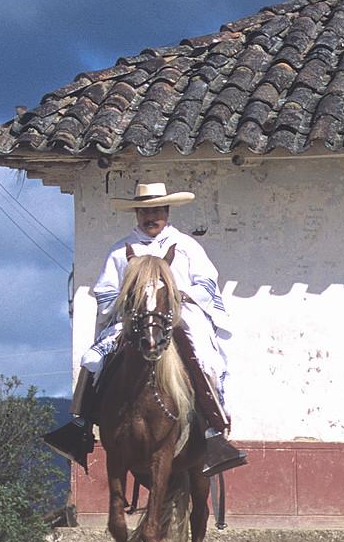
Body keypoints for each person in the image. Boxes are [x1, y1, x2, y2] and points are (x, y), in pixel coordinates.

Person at [43, 182, 247, 475]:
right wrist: (130, 302)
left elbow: (207, 284)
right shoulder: (120, 251)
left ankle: (212, 432)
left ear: (166, 211)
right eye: (145, 211)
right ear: (137, 213)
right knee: (94, 358)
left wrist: (179, 295)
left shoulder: (188, 247)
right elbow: (105, 292)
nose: (151, 217)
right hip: (135, 318)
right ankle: (81, 425)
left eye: (157, 210)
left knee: (205, 359)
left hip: (181, 316)